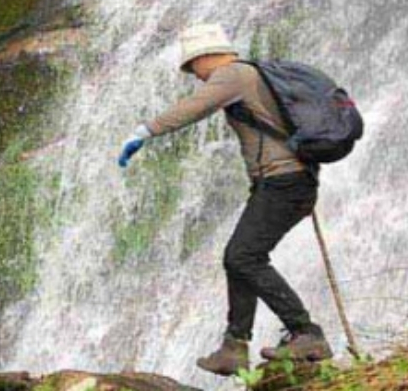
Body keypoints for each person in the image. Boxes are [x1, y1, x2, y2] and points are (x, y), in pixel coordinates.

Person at [116, 24, 331, 376]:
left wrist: (146, 131)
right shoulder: (252, 75)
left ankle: (306, 332)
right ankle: (235, 345)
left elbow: (194, 108)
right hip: (282, 182)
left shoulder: (233, 74)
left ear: (204, 56)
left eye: (192, 68)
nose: (195, 77)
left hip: (285, 182)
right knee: (240, 257)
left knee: (242, 256)